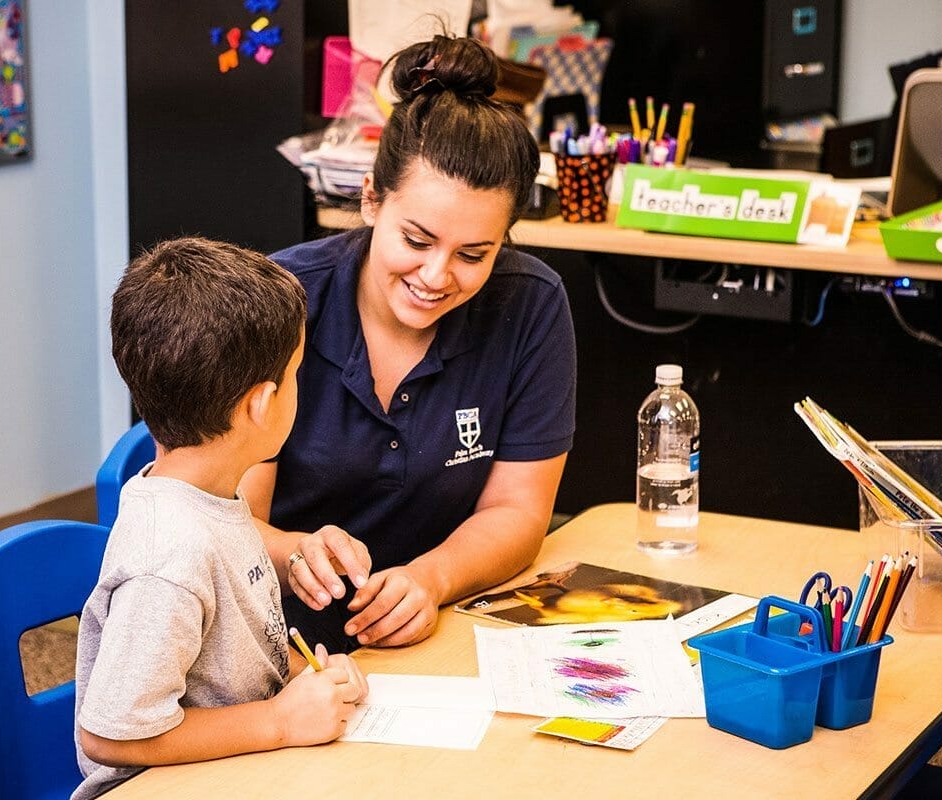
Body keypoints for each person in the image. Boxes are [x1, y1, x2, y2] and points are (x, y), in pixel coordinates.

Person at [242, 34, 577, 653]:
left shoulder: (530, 304)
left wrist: (433, 578)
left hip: (440, 631)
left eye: (474, 254)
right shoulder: (279, 300)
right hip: (277, 650)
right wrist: (296, 553)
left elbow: (518, 512)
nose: (436, 277)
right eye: (417, 241)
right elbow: (224, 520)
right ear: (371, 199)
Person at [72, 238, 368, 800]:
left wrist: (299, 689)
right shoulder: (170, 558)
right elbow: (109, 734)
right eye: (298, 373)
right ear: (260, 404)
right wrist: (279, 721)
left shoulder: (211, 499)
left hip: (238, 768)